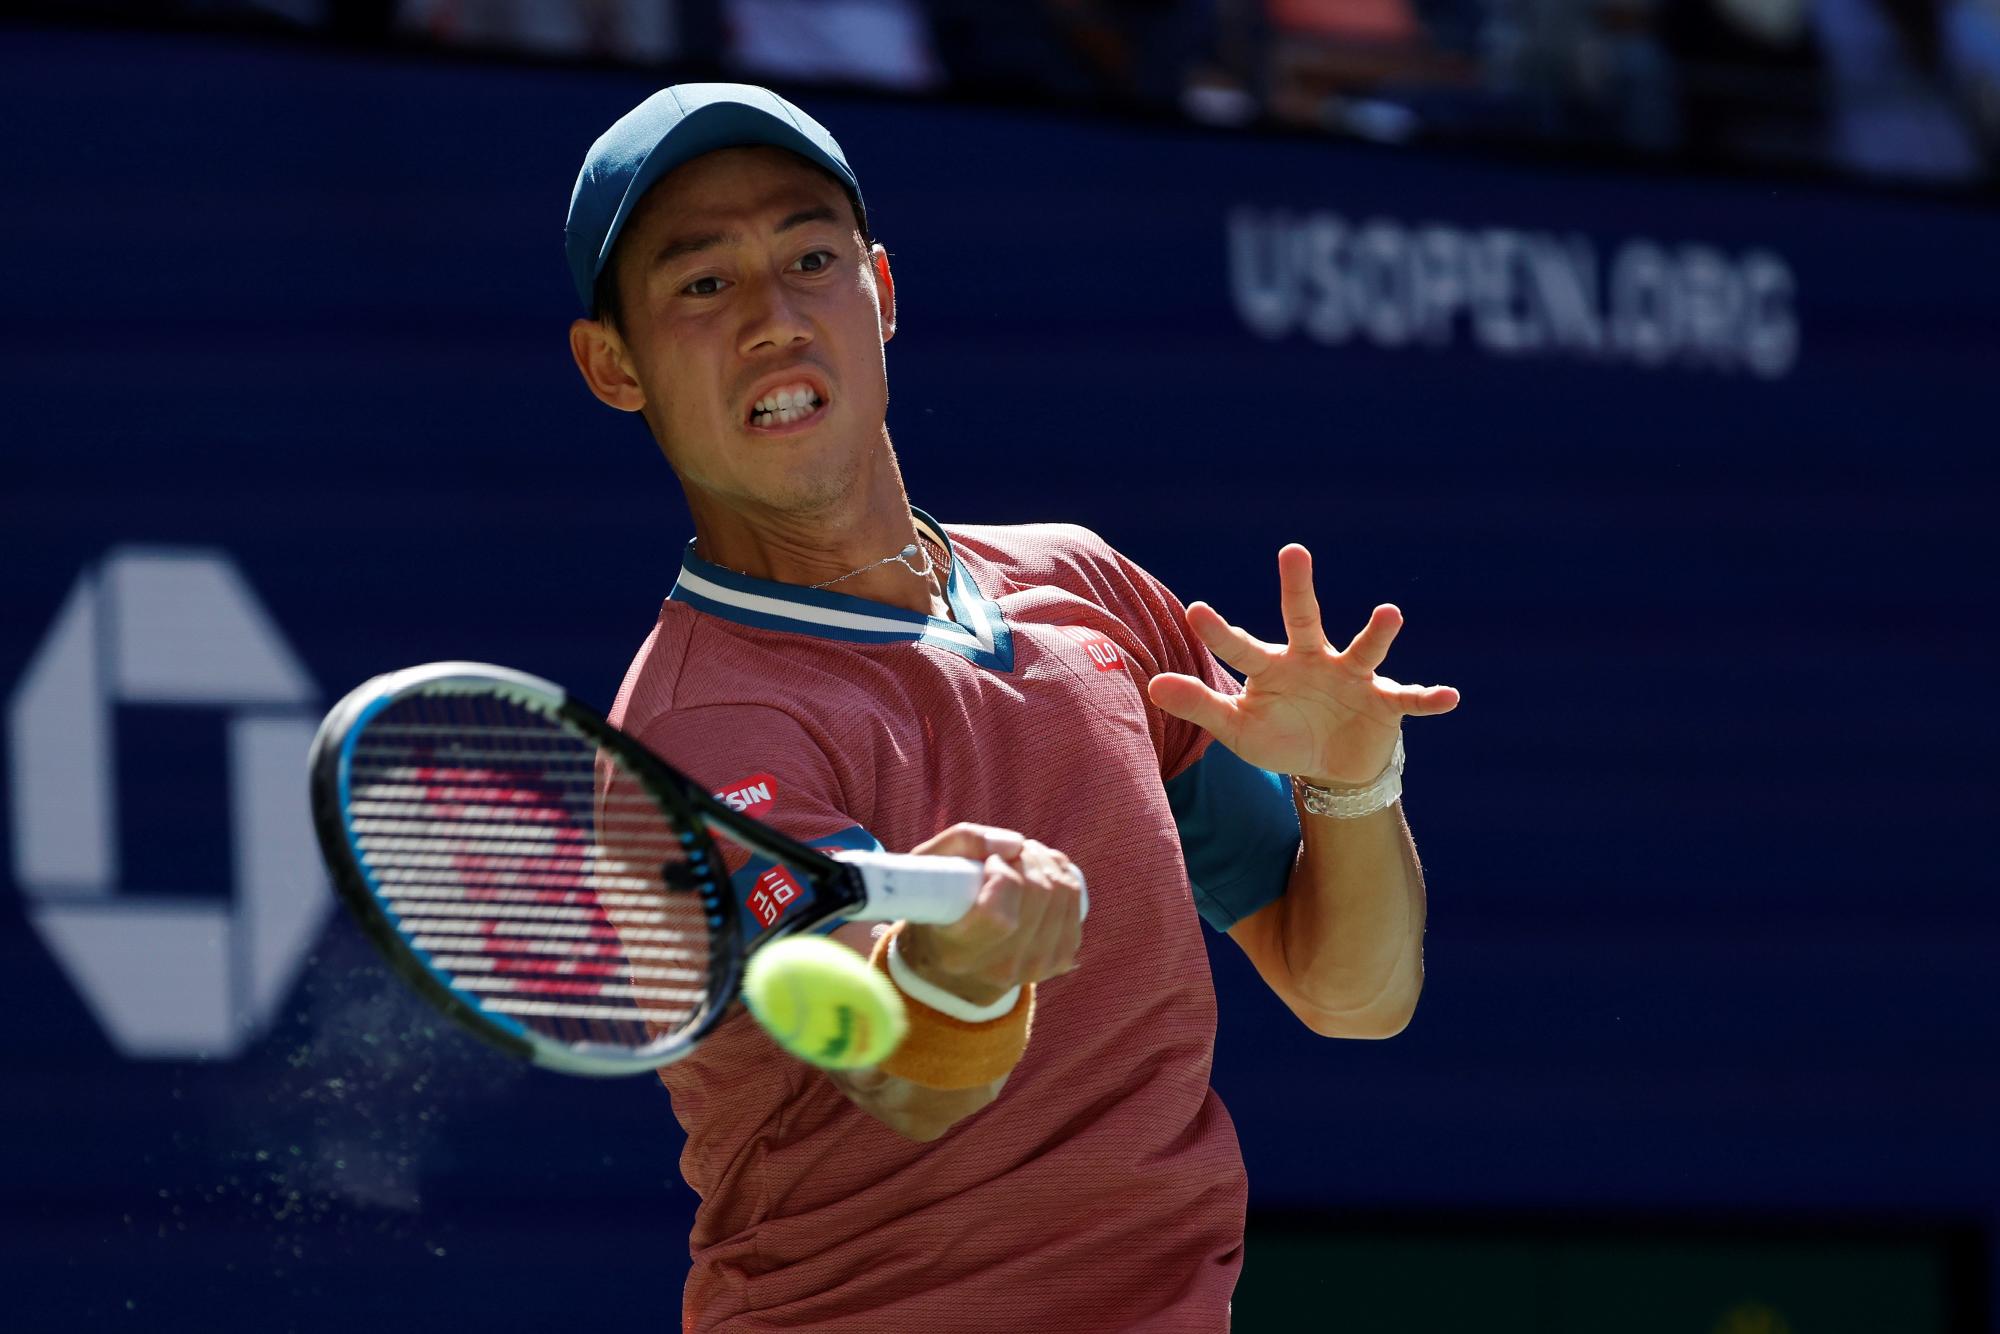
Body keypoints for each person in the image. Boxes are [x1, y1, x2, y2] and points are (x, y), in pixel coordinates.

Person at [563, 83, 1458, 1332]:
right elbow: (900, 1071)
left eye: (810, 258)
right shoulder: (694, 736)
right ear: (614, 364)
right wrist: (957, 969)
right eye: (702, 286)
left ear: (879, 290)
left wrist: (1353, 782)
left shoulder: (1086, 590)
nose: (773, 319)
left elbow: (1352, 991)